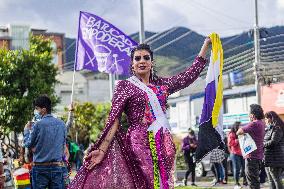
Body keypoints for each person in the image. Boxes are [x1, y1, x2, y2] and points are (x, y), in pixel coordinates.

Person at [69, 38, 212, 189]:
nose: (142, 61)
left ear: (152, 62)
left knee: (162, 182)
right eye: (137, 58)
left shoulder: (163, 85)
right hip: (138, 140)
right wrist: (102, 149)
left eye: (146, 58)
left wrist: (205, 45)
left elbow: (188, 76)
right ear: (132, 64)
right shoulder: (125, 86)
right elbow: (114, 119)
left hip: (162, 141)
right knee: (150, 180)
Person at [23, 95, 67, 189]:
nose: (36, 111)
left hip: (40, 169)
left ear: (43, 109)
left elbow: (28, 144)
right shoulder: (62, 124)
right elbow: (63, 144)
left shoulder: (38, 125)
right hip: (57, 168)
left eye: (36, 109)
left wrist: (26, 131)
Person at [237, 104, 265, 189]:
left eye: (249, 113)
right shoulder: (262, 123)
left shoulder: (254, 124)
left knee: (252, 182)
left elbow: (239, 131)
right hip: (258, 156)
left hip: (251, 157)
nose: (248, 115)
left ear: (252, 115)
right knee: (255, 180)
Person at [263, 111, 284, 189]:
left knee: (276, 179)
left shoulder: (277, 128)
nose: (265, 120)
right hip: (269, 158)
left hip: (275, 158)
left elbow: (273, 141)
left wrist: (262, 144)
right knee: (271, 180)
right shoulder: (270, 128)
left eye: (266, 119)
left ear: (271, 118)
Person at [228, 121, 247, 187]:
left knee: (245, 168)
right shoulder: (231, 134)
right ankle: (237, 182)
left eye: (241, 125)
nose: (241, 127)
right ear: (236, 126)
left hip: (243, 153)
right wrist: (237, 141)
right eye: (239, 125)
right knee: (237, 168)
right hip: (235, 154)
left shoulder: (242, 133)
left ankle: (245, 182)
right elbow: (230, 143)